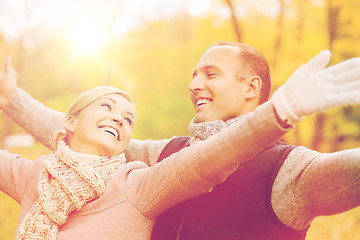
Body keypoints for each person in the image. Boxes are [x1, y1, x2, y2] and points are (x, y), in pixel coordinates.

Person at [2, 42, 360, 240]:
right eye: (193, 75)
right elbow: (85, 137)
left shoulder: (291, 169)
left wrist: (284, 110)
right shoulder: (162, 155)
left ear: (251, 87)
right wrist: (12, 98)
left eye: (210, 74)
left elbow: (350, 173)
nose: (193, 85)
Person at [0, 82, 292, 240]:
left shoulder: (135, 186)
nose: (119, 118)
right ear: (71, 122)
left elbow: (206, 160)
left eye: (128, 119)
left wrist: (278, 114)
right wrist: (10, 96)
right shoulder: (34, 175)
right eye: (106, 106)